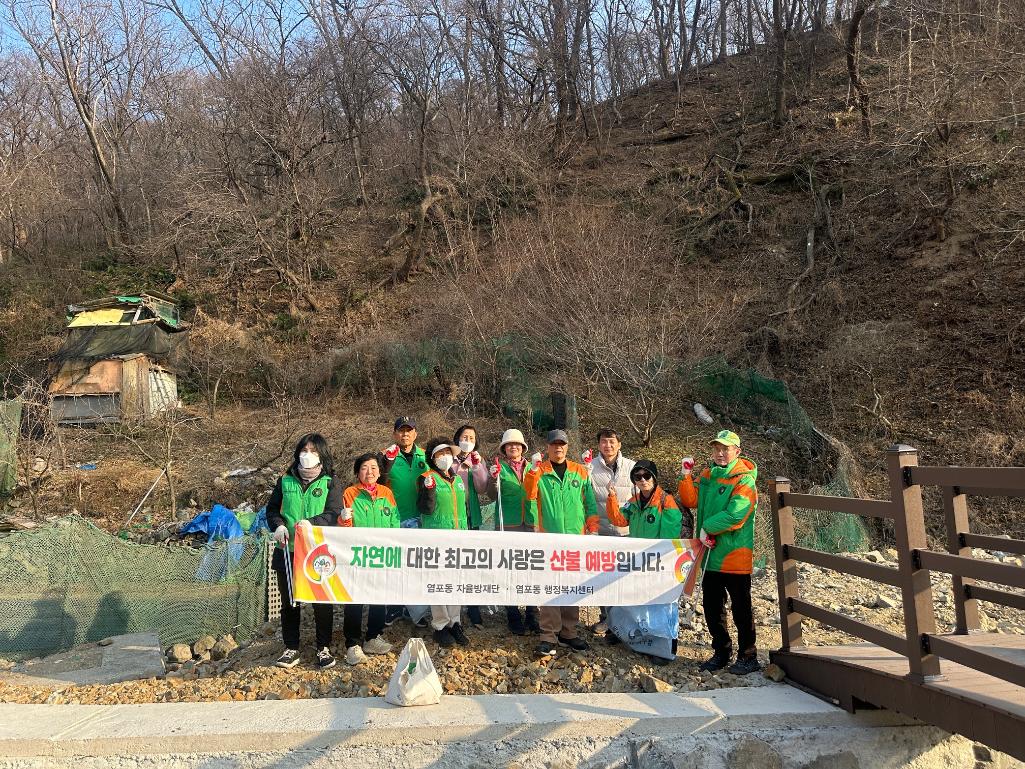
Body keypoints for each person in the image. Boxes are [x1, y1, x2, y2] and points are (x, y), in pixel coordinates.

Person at [678, 430, 760, 675]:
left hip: (734, 554)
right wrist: (685, 474)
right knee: (713, 608)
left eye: (726, 448)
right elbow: (691, 500)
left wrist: (706, 527)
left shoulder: (744, 480)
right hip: (711, 554)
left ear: (737, 451)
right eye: (716, 448)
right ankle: (721, 651)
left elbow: (737, 515)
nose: (720, 453)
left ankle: (748, 655)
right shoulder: (708, 475)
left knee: (741, 608)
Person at [266, 433, 342, 670]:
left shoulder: (330, 482)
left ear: (322, 455)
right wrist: (278, 525)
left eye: (313, 451)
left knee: (321, 601)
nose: (307, 455)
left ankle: (323, 648)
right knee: (290, 601)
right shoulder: (285, 481)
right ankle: (291, 648)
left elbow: (334, 513)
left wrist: (312, 522)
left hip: (318, 553)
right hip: (287, 551)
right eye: (304, 450)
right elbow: (271, 510)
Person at [604, 459, 689, 665]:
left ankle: (664, 646)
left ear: (654, 477)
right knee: (634, 598)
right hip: (637, 560)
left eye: (646, 476)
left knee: (660, 603)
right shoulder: (633, 502)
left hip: (658, 562)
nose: (642, 480)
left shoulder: (666, 501)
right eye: (637, 477)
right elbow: (619, 520)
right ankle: (627, 633)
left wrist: (661, 561)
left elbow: (668, 537)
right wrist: (612, 497)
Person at [524, 429, 599, 657]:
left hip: (575, 539)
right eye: (554, 444)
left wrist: (593, 528)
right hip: (549, 539)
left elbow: (590, 503)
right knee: (550, 586)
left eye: (562, 444)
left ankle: (569, 631)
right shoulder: (539, 471)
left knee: (572, 586)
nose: (558, 448)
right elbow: (529, 495)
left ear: (567, 447)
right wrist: (532, 472)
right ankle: (548, 634)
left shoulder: (580, 472)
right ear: (547, 447)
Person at [337, 452, 398, 665]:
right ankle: (352, 643)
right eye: (364, 468)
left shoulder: (387, 493)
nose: (369, 472)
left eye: (373, 468)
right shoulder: (350, 493)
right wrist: (343, 520)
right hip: (357, 555)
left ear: (380, 471)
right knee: (354, 598)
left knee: (378, 596)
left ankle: (373, 637)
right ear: (357, 472)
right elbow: (344, 527)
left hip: (381, 554)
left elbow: (394, 521)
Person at [417, 437, 471, 648]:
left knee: (456, 580)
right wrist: (429, 490)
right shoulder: (426, 478)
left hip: (459, 536)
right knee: (438, 580)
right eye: (440, 454)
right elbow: (425, 509)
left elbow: (463, 507)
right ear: (433, 458)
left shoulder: (457, 479)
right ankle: (440, 625)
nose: (445, 457)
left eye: (448, 453)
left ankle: (455, 621)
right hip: (436, 537)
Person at [487, 428, 541, 636]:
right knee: (509, 570)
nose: (513, 447)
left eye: (517, 444)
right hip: (507, 524)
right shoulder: (499, 468)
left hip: (530, 523)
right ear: (504, 449)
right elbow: (492, 496)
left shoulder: (534, 467)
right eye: (509, 445)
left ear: (523, 448)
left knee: (531, 570)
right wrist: (494, 478)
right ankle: (512, 612)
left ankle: (531, 612)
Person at [585, 428, 636, 634]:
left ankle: (625, 621)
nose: (608, 445)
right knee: (602, 578)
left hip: (626, 532)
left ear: (619, 444)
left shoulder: (632, 467)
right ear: (598, 445)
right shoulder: (589, 468)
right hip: (602, 533)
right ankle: (605, 618)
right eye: (604, 442)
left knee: (624, 578)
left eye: (612, 442)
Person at [381, 415, 428, 625]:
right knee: (393, 566)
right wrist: (387, 464)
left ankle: (414, 610)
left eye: (409, 430)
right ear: (394, 434)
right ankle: (393, 607)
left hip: (418, 519)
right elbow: (378, 482)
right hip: (392, 519)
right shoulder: (385, 457)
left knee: (415, 566)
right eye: (401, 430)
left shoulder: (425, 457)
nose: (405, 434)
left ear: (415, 433)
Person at [452, 424, 490, 628]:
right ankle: (453, 610)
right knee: (452, 562)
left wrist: (476, 466)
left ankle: (473, 608)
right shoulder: (447, 457)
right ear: (457, 438)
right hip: (453, 518)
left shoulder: (477, 459)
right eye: (464, 436)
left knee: (471, 562)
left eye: (472, 438)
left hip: (471, 515)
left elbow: (483, 487)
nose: (468, 440)